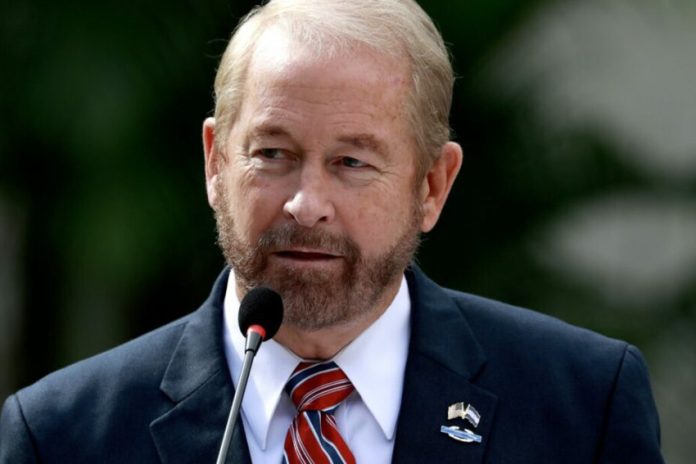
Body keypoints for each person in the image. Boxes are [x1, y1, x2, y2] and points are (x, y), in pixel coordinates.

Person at [0, 0, 664, 462]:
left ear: (432, 185)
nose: (305, 204)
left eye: (351, 162)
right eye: (273, 154)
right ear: (215, 162)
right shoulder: (63, 433)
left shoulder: (581, 406)